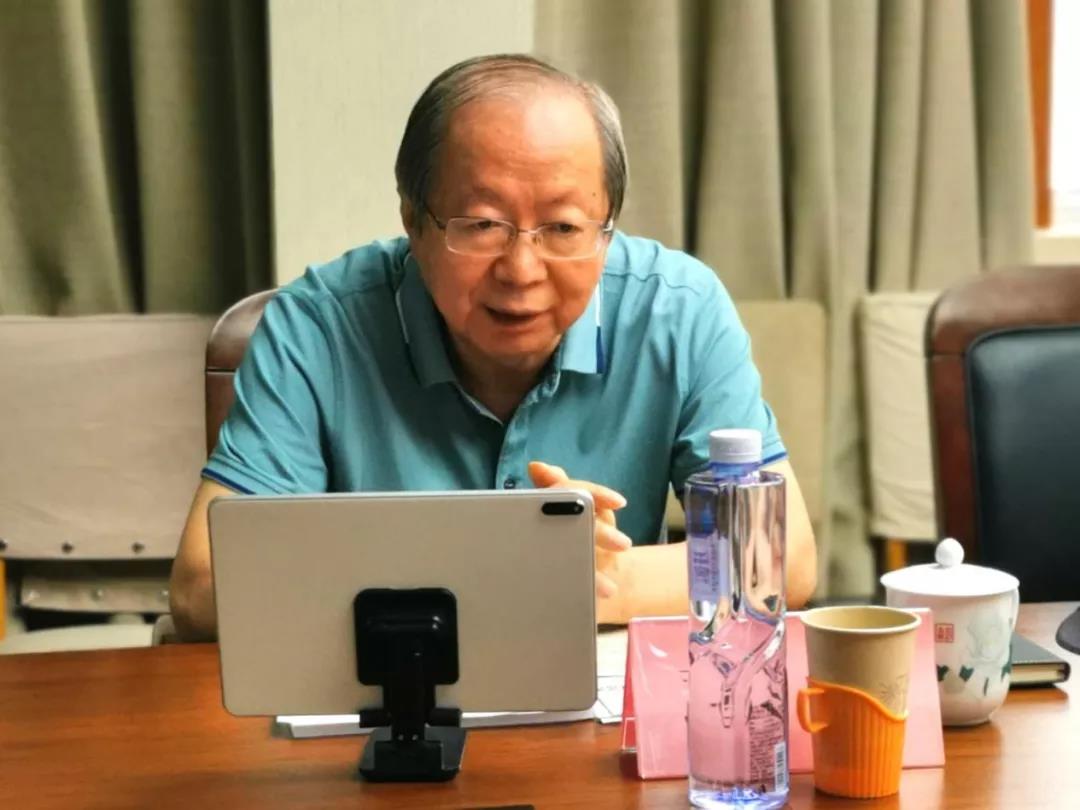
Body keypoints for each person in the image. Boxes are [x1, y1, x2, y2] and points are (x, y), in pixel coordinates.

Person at [169, 54, 817, 642]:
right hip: (382, 701)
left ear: (608, 228)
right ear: (413, 218)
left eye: (563, 227)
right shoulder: (319, 326)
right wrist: (498, 560)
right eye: (481, 225)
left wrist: (593, 579)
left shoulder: (678, 311)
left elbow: (779, 558)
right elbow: (203, 585)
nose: (521, 270)